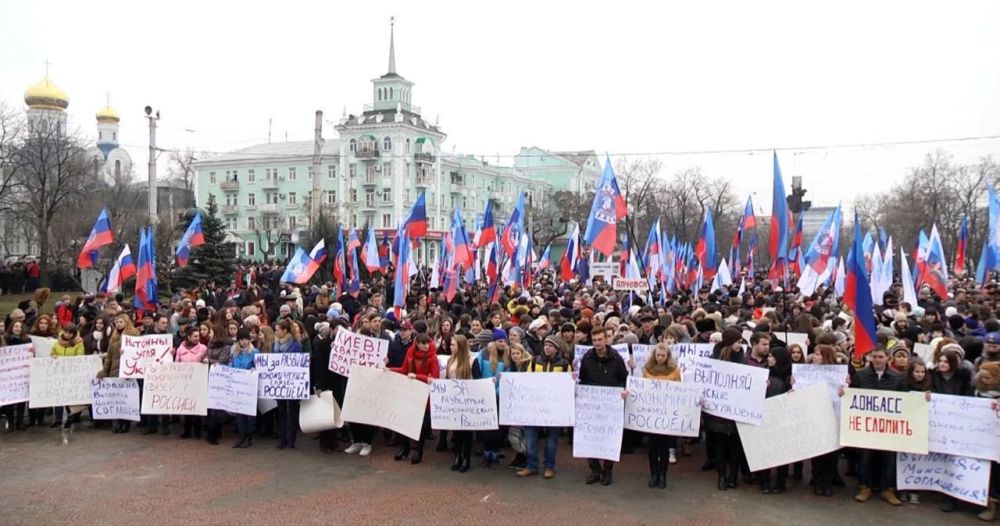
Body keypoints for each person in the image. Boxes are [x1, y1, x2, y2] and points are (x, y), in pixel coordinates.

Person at [850, 346, 906, 506]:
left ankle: (888, 490)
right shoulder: (861, 375)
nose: (877, 360)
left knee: (889, 459)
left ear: (888, 358)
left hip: (889, 427)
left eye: (880, 357)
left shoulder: (898, 377)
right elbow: (853, 396)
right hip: (867, 426)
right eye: (874, 357)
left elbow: (906, 401)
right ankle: (864, 487)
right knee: (865, 458)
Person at [578, 326, 628, 486]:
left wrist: (620, 393)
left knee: (609, 437)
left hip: (610, 404)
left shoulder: (616, 358)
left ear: (606, 339)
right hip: (592, 404)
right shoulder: (587, 357)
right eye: (594, 340)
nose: (597, 343)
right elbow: (582, 378)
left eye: (600, 340)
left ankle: (607, 471)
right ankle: (594, 470)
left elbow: (624, 378)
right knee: (590, 436)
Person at [517, 335, 572, 480]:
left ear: (557, 348)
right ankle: (531, 466)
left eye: (551, 346)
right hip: (535, 407)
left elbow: (568, 386)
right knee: (530, 437)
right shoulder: (535, 361)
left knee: (552, 439)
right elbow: (527, 380)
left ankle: (549, 466)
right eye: (546, 345)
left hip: (554, 409)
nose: (547, 348)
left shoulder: (565, 364)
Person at [930, 345, 974, 513]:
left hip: (957, 426)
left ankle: (952, 497)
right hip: (938, 424)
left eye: (945, 362)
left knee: (954, 461)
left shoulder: (962, 379)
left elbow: (969, 398)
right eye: (940, 361)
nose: (941, 364)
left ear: (953, 363)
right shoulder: (933, 376)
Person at [389, 333, 439, 464]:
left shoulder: (433, 358)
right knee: (405, 422)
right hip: (409, 392)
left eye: (428, 343)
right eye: (423, 344)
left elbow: (434, 378)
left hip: (423, 394)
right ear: (417, 344)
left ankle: (418, 450)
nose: (426, 346)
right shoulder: (410, 354)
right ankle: (405, 448)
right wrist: (389, 370)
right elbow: (404, 370)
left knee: (421, 425)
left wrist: (417, 376)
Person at [706, 328, 745, 490]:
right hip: (718, 413)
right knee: (720, 445)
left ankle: (733, 476)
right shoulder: (714, 359)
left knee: (735, 446)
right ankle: (722, 476)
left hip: (736, 412)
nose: (740, 345)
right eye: (738, 342)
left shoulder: (743, 359)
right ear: (730, 343)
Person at [640, 342, 681, 489]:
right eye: (658, 355)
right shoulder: (647, 370)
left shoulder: (675, 371)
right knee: (652, 446)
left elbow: (679, 391)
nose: (660, 358)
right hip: (652, 413)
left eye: (663, 355)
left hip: (667, 414)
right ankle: (653, 475)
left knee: (664, 446)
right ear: (654, 355)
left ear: (668, 356)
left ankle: (663, 475)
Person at [805, 344, 843, 497]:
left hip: (833, 417)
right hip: (815, 417)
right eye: (814, 354)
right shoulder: (807, 373)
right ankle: (818, 481)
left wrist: (844, 389)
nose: (815, 357)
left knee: (831, 455)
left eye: (818, 354)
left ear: (826, 356)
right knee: (817, 453)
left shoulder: (838, 374)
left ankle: (828, 483)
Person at [97, 314, 140, 434]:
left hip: (127, 372)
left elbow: (138, 354)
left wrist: (127, 352)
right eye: (117, 322)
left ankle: (125, 423)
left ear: (126, 322)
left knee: (126, 399)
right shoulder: (114, 337)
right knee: (117, 399)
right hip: (114, 371)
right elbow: (109, 358)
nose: (118, 324)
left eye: (121, 322)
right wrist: (104, 371)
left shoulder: (134, 336)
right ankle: (118, 422)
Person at [445, 334, 481, 473]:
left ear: (459, 346)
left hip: (468, 401)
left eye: (453, 345)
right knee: (456, 432)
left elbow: (478, 380)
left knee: (466, 432)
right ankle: (457, 456)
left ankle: (466, 458)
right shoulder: (450, 361)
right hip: (455, 401)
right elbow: (448, 380)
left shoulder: (472, 361)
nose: (450, 347)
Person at [757, 347, 792, 494]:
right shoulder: (764, 373)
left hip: (783, 417)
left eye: (771, 356)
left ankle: (780, 481)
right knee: (765, 449)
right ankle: (764, 480)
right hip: (765, 416)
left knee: (781, 450)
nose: (768, 358)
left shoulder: (790, 376)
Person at [974, 362, 1000, 520]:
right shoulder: (977, 390)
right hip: (981, 437)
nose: (983, 380)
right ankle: (987, 503)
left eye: (987, 378)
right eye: (981, 377)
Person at [272, 319, 303, 449]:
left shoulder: (295, 345)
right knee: (281, 411)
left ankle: (291, 439)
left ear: (285, 331)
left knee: (292, 411)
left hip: (292, 383)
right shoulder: (275, 344)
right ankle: (282, 438)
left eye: (278, 330)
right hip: (280, 383)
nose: (276, 332)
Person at [175, 326, 208, 439]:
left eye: (198, 336)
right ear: (188, 337)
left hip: (197, 380)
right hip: (184, 381)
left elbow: (206, 360)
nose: (197, 338)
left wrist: (205, 362)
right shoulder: (180, 349)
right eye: (194, 336)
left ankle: (197, 430)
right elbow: (176, 363)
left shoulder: (203, 348)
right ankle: (187, 430)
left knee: (196, 406)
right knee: (186, 406)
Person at [204, 323, 235, 445]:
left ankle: (213, 433)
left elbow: (222, 361)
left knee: (216, 407)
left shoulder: (226, 346)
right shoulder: (210, 345)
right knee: (210, 406)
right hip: (210, 376)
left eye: (211, 332)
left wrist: (209, 361)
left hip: (219, 378)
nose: (209, 334)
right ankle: (213, 431)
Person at [51, 323, 84, 428]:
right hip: (59, 373)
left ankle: (70, 418)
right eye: (66, 332)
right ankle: (58, 419)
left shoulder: (79, 344)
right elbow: (52, 353)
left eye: (70, 333)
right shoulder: (57, 343)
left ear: (74, 334)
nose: (68, 335)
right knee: (58, 397)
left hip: (71, 374)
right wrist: (54, 356)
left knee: (69, 397)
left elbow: (80, 357)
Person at [230, 329, 259, 448]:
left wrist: (254, 370)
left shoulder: (255, 352)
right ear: (239, 341)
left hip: (249, 385)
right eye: (242, 339)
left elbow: (259, 366)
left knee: (249, 412)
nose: (245, 342)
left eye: (246, 339)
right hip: (238, 385)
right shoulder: (235, 353)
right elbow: (231, 365)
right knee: (240, 412)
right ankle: (241, 435)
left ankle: (249, 436)